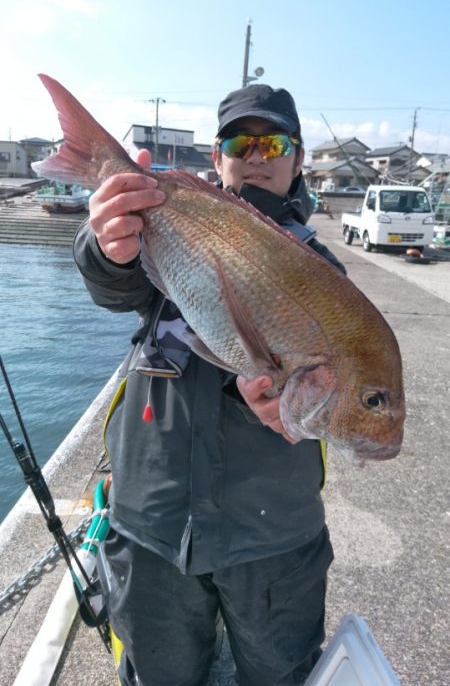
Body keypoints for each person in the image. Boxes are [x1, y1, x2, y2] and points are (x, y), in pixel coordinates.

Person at [73, 84, 346, 686]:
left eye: (273, 141)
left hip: (272, 530)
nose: (256, 154)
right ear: (216, 158)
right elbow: (117, 290)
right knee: (157, 671)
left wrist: (274, 389)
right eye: (237, 142)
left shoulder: (322, 268)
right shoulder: (166, 224)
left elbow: (327, 379)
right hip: (151, 514)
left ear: (298, 158)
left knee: (278, 672)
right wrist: (107, 246)